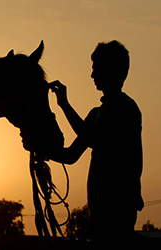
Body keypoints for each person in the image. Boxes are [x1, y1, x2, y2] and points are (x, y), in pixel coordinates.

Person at [48, 40, 144, 248]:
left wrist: (64, 105)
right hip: (99, 211)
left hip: (119, 209)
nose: (92, 76)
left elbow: (94, 139)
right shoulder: (95, 114)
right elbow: (70, 155)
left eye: (96, 69)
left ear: (113, 71)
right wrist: (42, 149)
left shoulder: (126, 110)